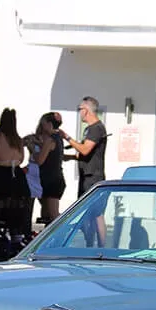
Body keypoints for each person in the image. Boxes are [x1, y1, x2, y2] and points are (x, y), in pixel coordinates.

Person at [0, 108, 32, 246]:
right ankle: (17, 234)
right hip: (16, 174)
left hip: (1, 174)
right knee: (17, 205)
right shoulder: (18, 140)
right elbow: (21, 158)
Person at [61, 97, 107, 246]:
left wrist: (67, 137)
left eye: (80, 109)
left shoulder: (96, 128)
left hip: (94, 177)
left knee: (97, 213)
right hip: (86, 175)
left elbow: (86, 150)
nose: (79, 112)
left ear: (86, 110)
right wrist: (69, 157)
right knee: (87, 213)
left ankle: (101, 246)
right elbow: (84, 153)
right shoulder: (89, 129)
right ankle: (89, 245)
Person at [31, 112, 66, 225]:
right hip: (53, 179)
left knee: (54, 216)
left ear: (49, 124)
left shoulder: (50, 140)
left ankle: (64, 233)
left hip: (52, 181)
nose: (42, 126)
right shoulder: (58, 138)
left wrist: (32, 149)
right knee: (47, 215)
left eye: (44, 124)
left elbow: (40, 160)